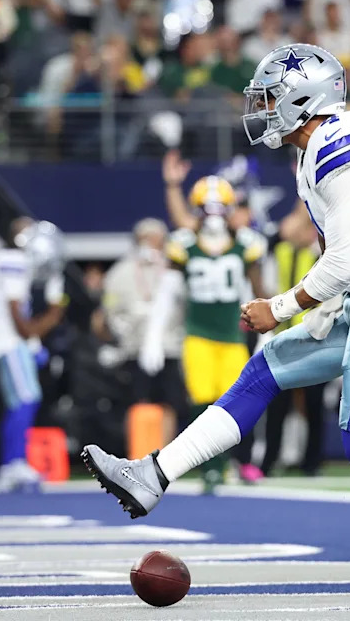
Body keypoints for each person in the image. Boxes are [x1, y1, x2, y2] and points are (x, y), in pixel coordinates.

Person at [83, 43, 350, 605]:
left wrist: (281, 307)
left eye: (269, 97)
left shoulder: (341, 141)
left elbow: (347, 259)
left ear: (303, 99)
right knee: (264, 370)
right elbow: (345, 255)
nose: (260, 108)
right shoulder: (314, 149)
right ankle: (153, 475)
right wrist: (327, 305)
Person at [138, 175, 266, 494]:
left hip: (232, 335)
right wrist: (152, 336)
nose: (213, 216)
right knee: (201, 399)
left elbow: (257, 292)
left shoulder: (246, 244)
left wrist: (266, 331)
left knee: (232, 403)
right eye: (206, 209)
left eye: (219, 209)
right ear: (196, 210)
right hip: (198, 334)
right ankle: (210, 468)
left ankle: (224, 465)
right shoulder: (183, 245)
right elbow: (166, 294)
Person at [0, 218, 67, 492]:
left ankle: (12, 464)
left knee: (20, 401)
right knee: (27, 398)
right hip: (9, 339)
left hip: (12, 340)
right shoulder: (10, 259)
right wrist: (46, 322)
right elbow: (20, 320)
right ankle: (12, 463)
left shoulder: (9, 260)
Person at [103, 218, 187, 448]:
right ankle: (139, 451)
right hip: (134, 347)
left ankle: (165, 454)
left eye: (158, 240)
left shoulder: (174, 271)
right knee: (137, 401)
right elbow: (110, 310)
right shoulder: (121, 272)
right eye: (148, 240)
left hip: (169, 346)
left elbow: (185, 307)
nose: (153, 245)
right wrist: (127, 326)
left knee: (170, 402)